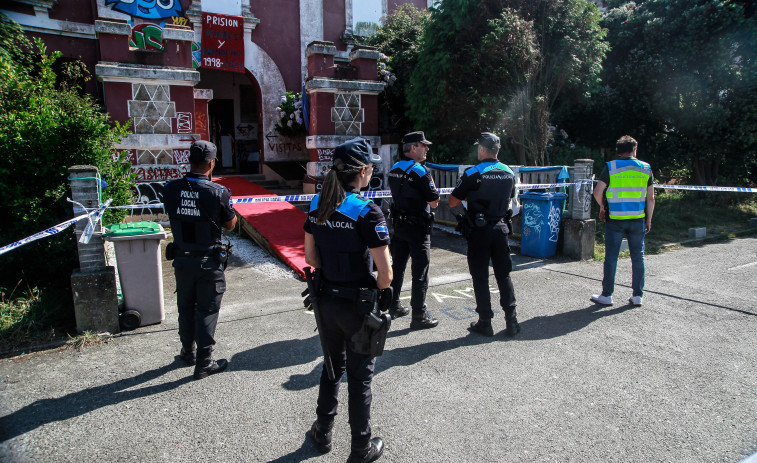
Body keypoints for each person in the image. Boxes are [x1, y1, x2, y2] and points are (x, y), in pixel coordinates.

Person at [304, 138, 392, 463]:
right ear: (364, 171)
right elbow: (386, 275)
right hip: (359, 306)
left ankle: (322, 431)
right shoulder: (367, 211)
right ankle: (360, 449)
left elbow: (311, 258)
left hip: (326, 301)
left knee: (331, 368)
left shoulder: (317, 204)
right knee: (359, 377)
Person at [163, 140, 237, 379]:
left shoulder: (170, 188)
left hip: (182, 258)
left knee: (185, 307)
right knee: (207, 309)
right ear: (211, 163)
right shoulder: (219, 192)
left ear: (190, 161)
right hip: (208, 261)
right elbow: (230, 224)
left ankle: (187, 352)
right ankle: (204, 362)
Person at [448, 132, 519, 337]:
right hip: (501, 228)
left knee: (480, 277)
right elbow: (511, 196)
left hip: (479, 231)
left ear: (481, 149)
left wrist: (471, 197)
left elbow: (453, 201)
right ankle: (511, 321)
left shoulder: (473, 173)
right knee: (503, 275)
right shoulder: (509, 173)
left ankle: (485, 322)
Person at [590, 135, 655, 307]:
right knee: (638, 257)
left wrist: (603, 206)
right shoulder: (646, 168)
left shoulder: (611, 167)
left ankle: (607, 295)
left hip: (615, 219)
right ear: (634, 149)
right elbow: (651, 198)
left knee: (611, 257)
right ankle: (637, 296)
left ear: (618, 151)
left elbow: (597, 192)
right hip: (638, 219)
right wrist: (648, 219)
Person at [386, 131, 440, 329]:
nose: (426, 148)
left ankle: (393, 306)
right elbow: (434, 203)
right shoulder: (420, 171)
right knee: (420, 271)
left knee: (397, 268)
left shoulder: (394, 168)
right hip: (417, 228)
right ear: (413, 147)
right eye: (423, 145)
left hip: (399, 226)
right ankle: (419, 315)